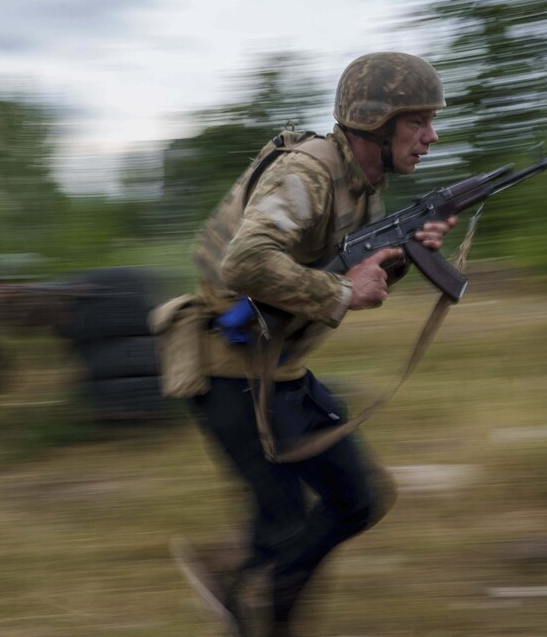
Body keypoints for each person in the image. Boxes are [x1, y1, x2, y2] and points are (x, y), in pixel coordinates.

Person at [174, 52, 456, 637]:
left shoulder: (364, 188)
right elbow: (245, 262)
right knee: (282, 525)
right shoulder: (308, 174)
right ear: (376, 122)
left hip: (280, 367)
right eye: (418, 122)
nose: (431, 136)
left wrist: (405, 255)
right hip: (227, 368)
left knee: (357, 499)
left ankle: (252, 594)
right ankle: (245, 591)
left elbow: (350, 272)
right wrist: (343, 292)